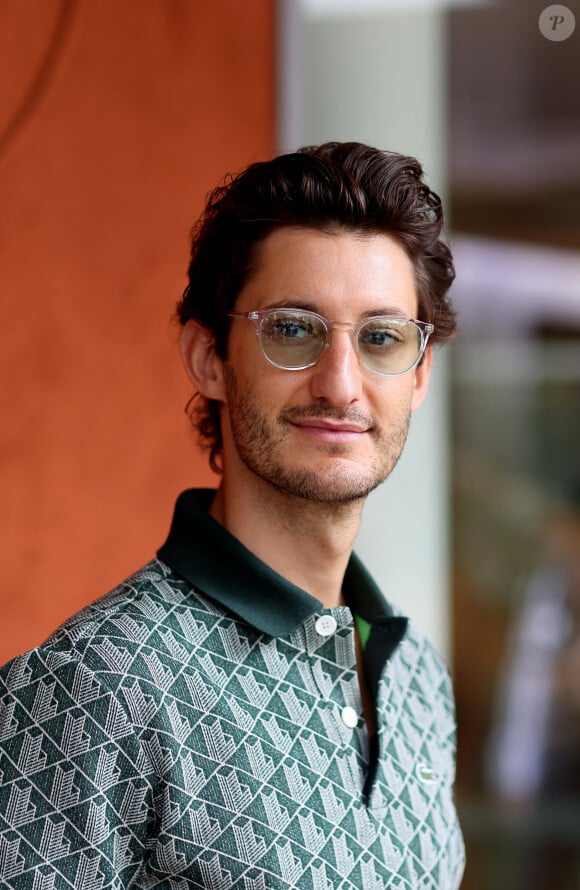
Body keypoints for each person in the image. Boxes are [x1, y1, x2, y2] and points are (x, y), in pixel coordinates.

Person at [0, 142, 465, 888]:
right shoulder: (94, 683)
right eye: (292, 329)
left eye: (380, 338)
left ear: (418, 376)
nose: (340, 383)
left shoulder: (417, 683)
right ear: (209, 357)